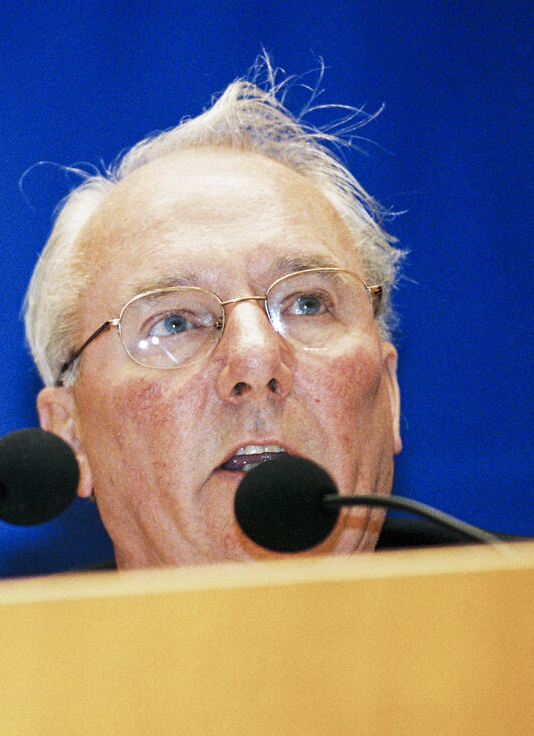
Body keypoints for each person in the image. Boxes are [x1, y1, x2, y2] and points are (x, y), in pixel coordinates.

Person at [24, 68, 404, 568]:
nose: (256, 358)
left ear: (390, 394)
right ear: (72, 435)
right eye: (176, 322)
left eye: (307, 304)